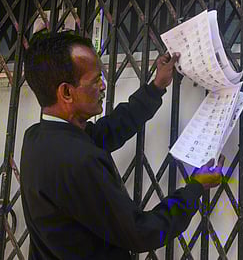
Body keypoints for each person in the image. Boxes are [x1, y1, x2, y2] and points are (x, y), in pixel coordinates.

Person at [20, 31, 224, 259]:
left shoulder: (37, 138)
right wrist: (195, 187)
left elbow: (107, 132)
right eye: (95, 80)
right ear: (66, 92)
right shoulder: (80, 160)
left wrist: (155, 87)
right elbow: (141, 233)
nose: (103, 86)